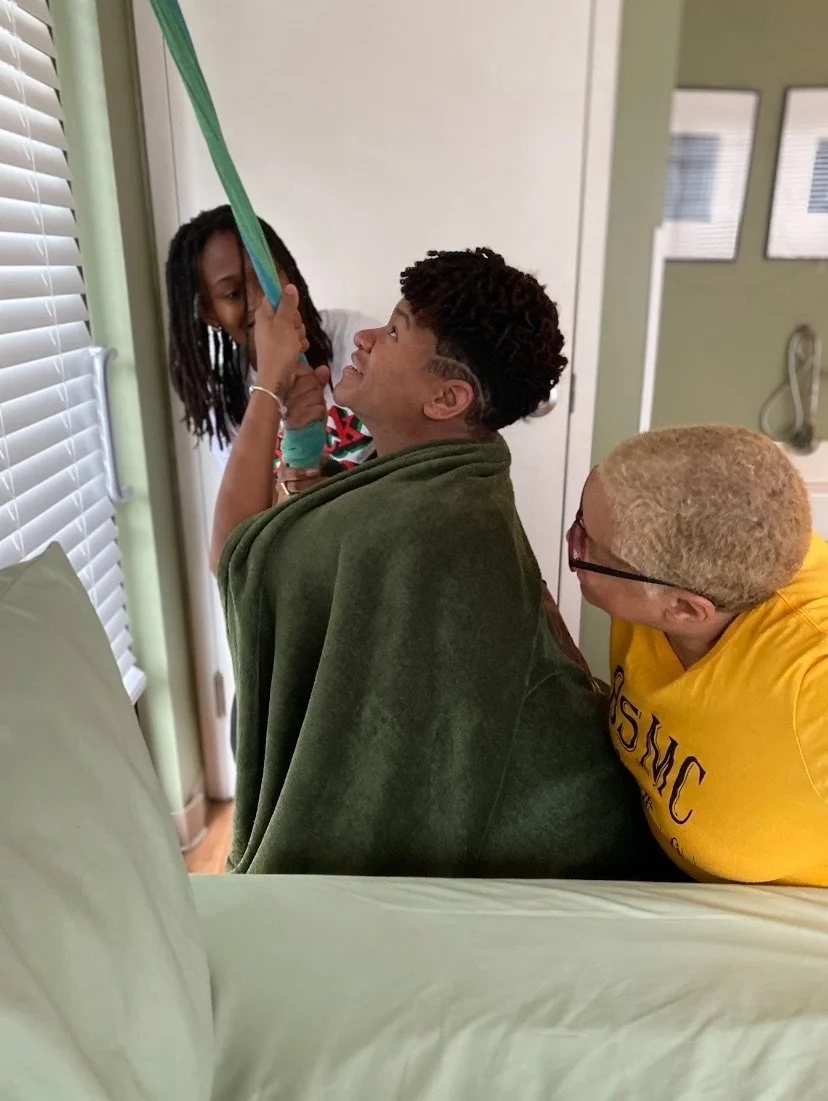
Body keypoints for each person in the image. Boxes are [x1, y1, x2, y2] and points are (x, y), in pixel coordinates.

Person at [212, 247, 665, 879]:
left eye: (394, 331)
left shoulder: (430, 523)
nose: (366, 337)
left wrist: (267, 380)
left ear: (447, 398)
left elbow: (238, 553)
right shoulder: (455, 486)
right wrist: (298, 431)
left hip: (571, 837)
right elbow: (320, 523)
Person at [568, 425, 828, 886]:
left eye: (587, 545)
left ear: (684, 609)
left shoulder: (811, 682)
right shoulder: (676, 552)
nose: (573, 541)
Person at [164, 204, 377, 470]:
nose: (261, 302)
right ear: (210, 313)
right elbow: (255, 510)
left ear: (289, 274)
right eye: (233, 294)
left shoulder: (358, 342)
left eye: (267, 277)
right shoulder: (227, 401)